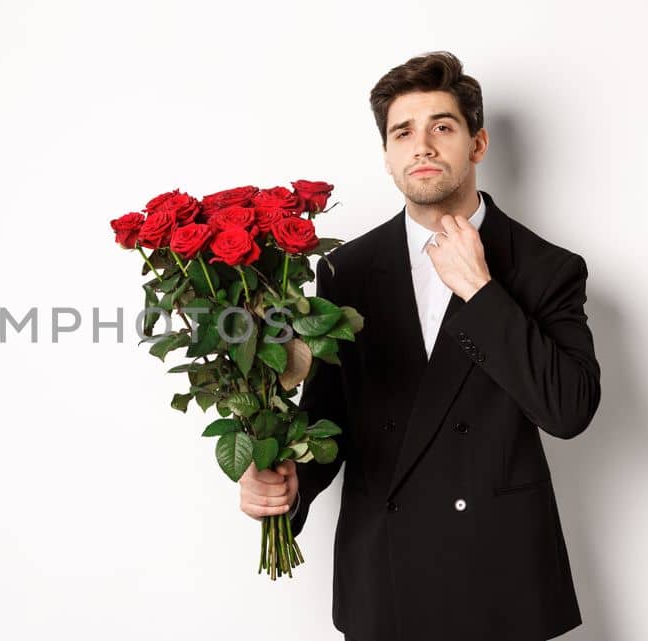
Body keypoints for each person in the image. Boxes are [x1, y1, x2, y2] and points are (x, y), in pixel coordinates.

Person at [238, 51, 601, 641]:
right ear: (386, 156)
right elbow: (329, 419)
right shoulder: (345, 271)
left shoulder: (546, 268)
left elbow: (569, 411)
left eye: (442, 127)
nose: (422, 146)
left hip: (498, 577)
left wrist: (482, 294)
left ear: (477, 144)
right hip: (385, 572)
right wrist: (287, 482)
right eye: (403, 132)